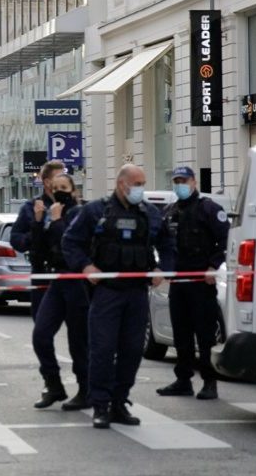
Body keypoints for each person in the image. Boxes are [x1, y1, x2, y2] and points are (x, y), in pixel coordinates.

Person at [63, 164, 175, 429]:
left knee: (132, 350)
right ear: (122, 184)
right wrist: (86, 266)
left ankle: (119, 402)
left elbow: (168, 245)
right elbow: (71, 242)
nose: (141, 188)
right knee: (102, 350)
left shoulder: (149, 213)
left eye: (143, 183)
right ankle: (100, 405)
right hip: (107, 294)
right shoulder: (96, 211)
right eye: (137, 183)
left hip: (137, 293)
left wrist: (162, 268)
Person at [156, 166, 229, 401]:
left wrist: (213, 266)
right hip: (178, 282)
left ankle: (210, 382)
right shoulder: (170, 211)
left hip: (201, 282)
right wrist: (162, 268)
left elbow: (226, 238)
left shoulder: (208, 209)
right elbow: (163, 245)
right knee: (181, 334)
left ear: (194, 182)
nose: (180, 184)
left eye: (183, 180)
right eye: (176, 180)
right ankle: (183, 380)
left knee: (205, 334)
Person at [30, 173, 90, 411]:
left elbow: (70, 244)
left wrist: (55, 222)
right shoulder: (52, 213)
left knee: (79, 342)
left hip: (77, 281)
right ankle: (53, 383)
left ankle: (86, 389)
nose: (59, 191)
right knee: (41, 334)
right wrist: (37, 222)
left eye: (64, 187)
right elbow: (39, 250)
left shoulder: (80, 213)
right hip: (57, 280)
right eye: (55, 188)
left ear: (73, 190)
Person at [11, 160, 70, 319]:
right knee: (42, 330)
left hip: (70, 273)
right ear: (47, 182)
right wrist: (38, 230)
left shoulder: (75, 207)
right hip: (43, 271)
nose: (64, 180)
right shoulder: (32, 207)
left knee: (77, 332)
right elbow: (16, 239)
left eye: (66, 176)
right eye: (59, 177)